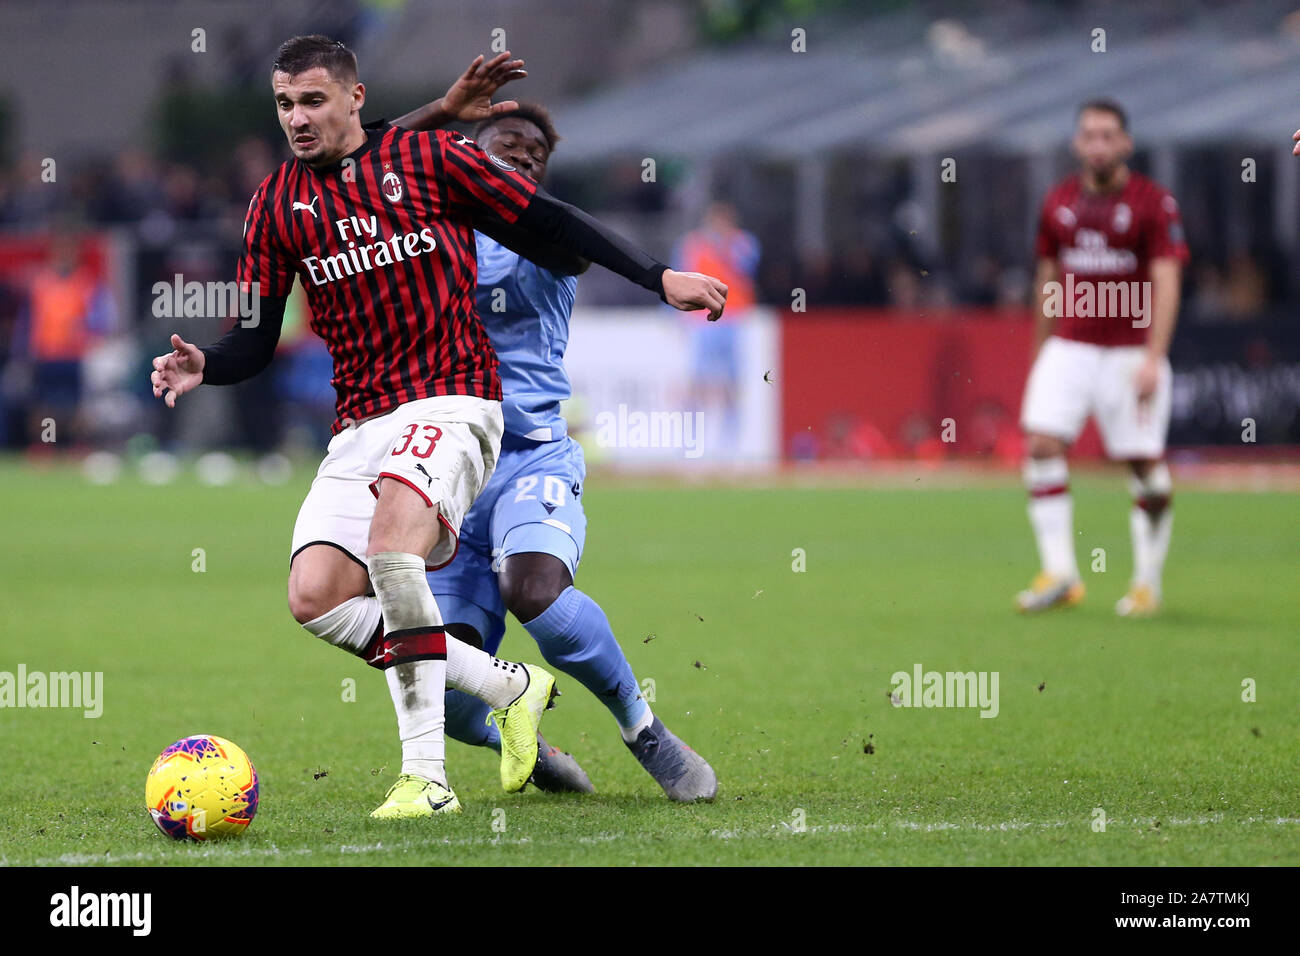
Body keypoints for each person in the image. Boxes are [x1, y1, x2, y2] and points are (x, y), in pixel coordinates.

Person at [149, 36, 729, 819]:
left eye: (313, 100)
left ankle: (495, 765)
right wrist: (205, 365)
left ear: (357, 99)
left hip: (466, 414)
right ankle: (507, 696)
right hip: (365, 424)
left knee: (490, 581)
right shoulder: (285, 201)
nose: (295, 117)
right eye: (285, 104)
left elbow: (555, 222)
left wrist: (661, 277)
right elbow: (257, 332)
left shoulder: (453, 184)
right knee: (321, 598)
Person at [390, 99, 718, 801]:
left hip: (529, 457)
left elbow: (578, 239)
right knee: (441, 683)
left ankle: (643, 729)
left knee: (534, 590)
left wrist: (659, 276)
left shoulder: (548, 235)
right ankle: (522, 739)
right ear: (464, 156)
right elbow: (362, 158)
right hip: (446, 473)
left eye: (534, 156)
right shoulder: (424, 234)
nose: (522, 160)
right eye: (505, 147)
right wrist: (441, 113)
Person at [1016, 100, 1187, 616]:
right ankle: (1061, 573)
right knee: (1042, 442)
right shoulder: (1058, 201)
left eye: (1108, 136)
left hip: (1128, 352)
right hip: (1070, 345)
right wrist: (1041, 347)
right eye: (1089, 135)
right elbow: (1048, 275)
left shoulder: (1154, 203)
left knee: (1143, 466)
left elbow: (1166, 279)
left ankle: (1145, 582)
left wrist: (1155, 356)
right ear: (1076, 143)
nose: (1098, 145)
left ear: (1126, 143)